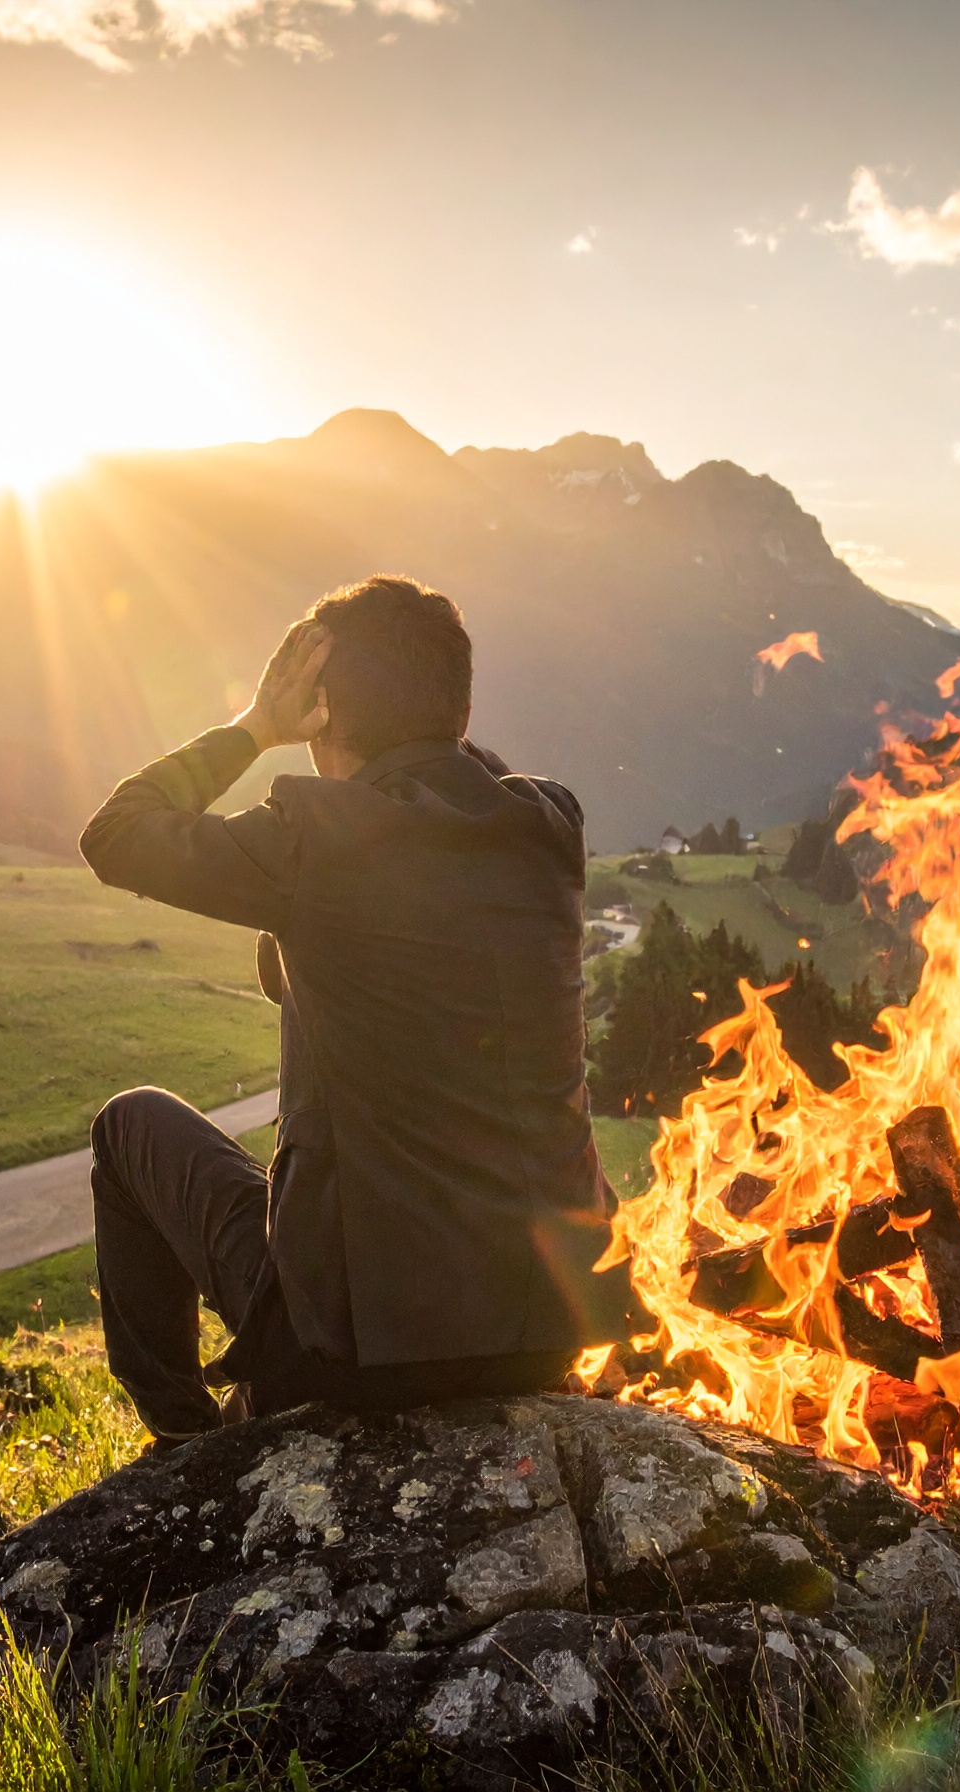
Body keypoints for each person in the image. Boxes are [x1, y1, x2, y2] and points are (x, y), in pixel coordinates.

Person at [79, 574, 634, 1446]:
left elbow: (115, 833)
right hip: (545, 1333)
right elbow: (441, 787)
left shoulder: (316, 838)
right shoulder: (547, 827)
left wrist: (258, 727)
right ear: (460, 704)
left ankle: (190, 1451)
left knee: (130, 1127)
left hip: (356, 1354)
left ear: (322, 707)